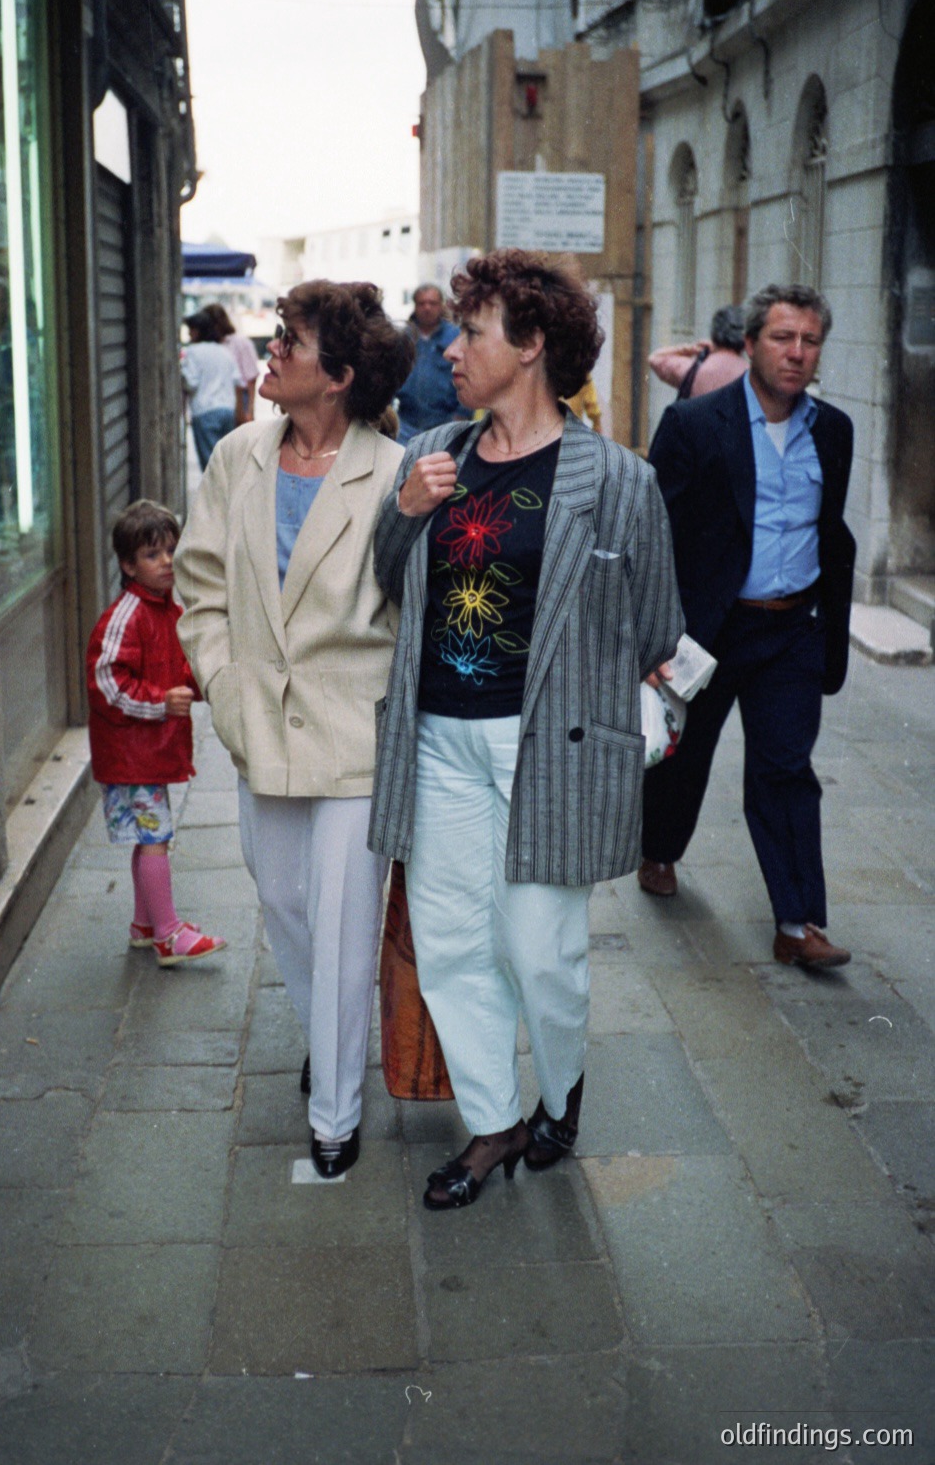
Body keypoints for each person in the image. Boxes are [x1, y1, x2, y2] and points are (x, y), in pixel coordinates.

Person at [368, 250, 682, 1211]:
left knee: (541, 950)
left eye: (472, 333)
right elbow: (386, 581)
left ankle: (561, 1086)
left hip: (548, 744)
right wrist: (405, 514)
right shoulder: (435, 456)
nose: (452, 350)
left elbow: (656, 624)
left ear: (532, 344)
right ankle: (493, 1121)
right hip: (438, 738)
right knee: (451, 941)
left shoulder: (616, 477)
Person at [175, 280, 413, 1178]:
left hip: (354, 733)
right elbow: (199, 585)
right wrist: (223, 684)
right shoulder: (237, 454)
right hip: (259, 729)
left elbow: (410, 611)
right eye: (277, 335)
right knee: (282, 901)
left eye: (290, 341)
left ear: (339, 376)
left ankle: (335, 1113)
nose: (270, 350)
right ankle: (332, 1034)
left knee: (344, 923)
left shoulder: (393, 473)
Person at [638, 283, 856, 970]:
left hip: (792, 630)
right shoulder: (695, 424)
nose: (796, 353)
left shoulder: (834, 430)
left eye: (810, 341)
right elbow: (652, 533)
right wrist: (652, 636)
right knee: (685, 756)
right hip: (711, 627)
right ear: (751, 343)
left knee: (785, 769)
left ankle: (797, 923)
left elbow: (830, 530)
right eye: (782, 338)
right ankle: (658, 848)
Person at [86, 499, 227, 966]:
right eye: (152, 554)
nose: (166, 561)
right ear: (128, 565)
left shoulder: (167, 611)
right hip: (132, 755)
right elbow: (106, 681)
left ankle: (145, 924)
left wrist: (203, 682)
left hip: (145, 753)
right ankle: (168, 934)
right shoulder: (127, 616)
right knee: (155, 838)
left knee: (149, 836)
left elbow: (177, 666)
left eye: (171, 550)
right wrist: (159, 702)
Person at [396, 283, 464, 442]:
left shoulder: (456, 337)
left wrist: (462, 415)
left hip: (445, 424)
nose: (427, 308)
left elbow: (471, 375)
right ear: (415, 306)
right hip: (406, 425)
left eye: (432, 303)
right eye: (422, 303)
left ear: (441, 306)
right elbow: (389, 377)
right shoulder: (404, 338)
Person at [181, 310, 243, 470]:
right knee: (227, 462)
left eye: (190, 330)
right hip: (227, 411)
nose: (188, 334)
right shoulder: (224, 351)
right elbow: (238, 381)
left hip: (204, 411)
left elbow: (191, 383)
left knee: (211, 466)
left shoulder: (192, 352)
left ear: (197, 331)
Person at [649, 304, 747, 400]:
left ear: (714, 333)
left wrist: (692, 349)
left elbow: (655, 358)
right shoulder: (750, 373)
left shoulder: (695, 368)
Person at [204, 302, 259, 425]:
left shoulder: (241, 343)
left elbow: (251, 378)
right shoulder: (208, 346)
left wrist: (249, 411)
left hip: (239, 397)